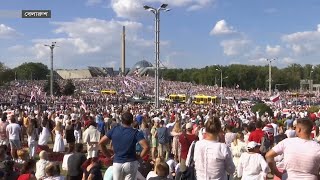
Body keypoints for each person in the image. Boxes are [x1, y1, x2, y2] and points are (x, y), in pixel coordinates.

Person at [99, 111, 149, 180]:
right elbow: (146, 147)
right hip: (130, 162)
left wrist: (108, 155)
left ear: (121, 120)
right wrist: (139, 157)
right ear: (132, 121)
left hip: (117, 162)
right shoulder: (136, 132)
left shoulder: (114, 130)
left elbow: (101, 142)